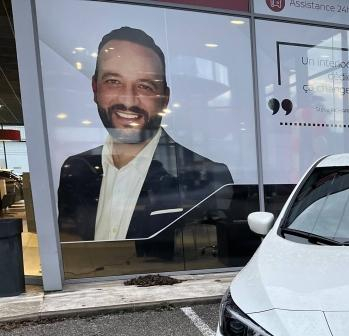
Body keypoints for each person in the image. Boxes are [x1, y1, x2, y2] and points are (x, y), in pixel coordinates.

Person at [57, 27, 233, 242]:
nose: (129, 100)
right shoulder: (75, 170)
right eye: (113, 81)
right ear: (95, 88)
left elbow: (210, 256)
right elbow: (70, 245)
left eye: (145, 86)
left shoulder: (210, 177)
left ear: (165, 98)